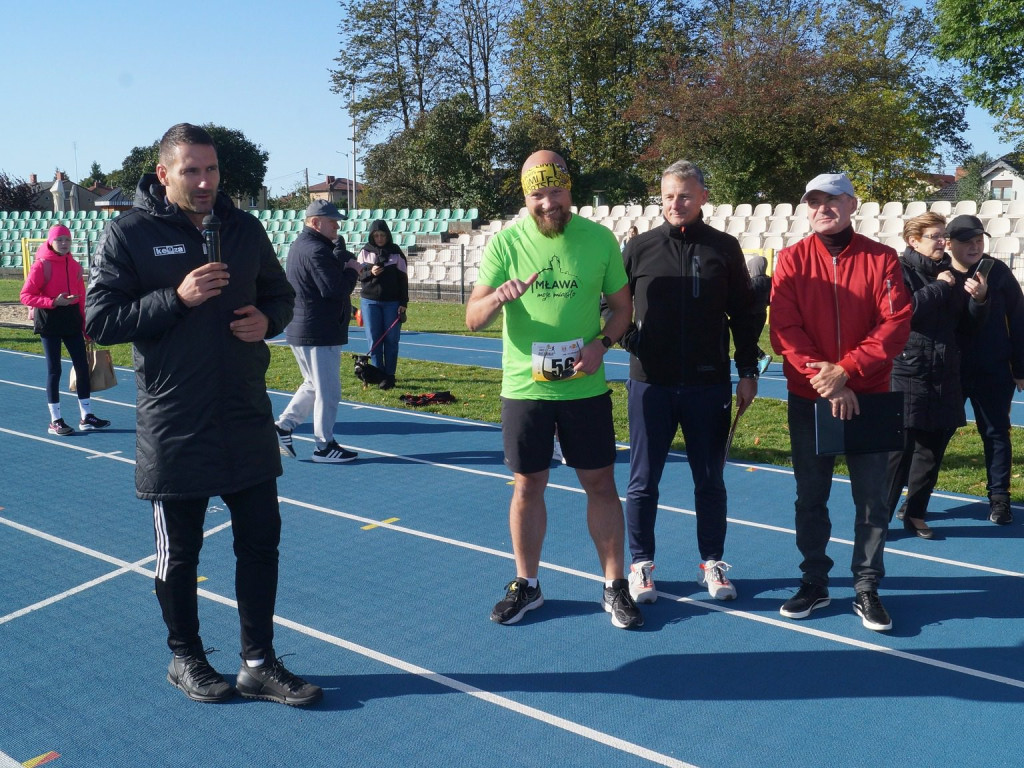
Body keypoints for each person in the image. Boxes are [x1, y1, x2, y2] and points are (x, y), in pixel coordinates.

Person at [85, 123, 321, 706]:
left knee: (260, 544)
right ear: (163, 173)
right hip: (175, 420)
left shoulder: (243, 228)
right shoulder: (130, 233)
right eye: (191, 170)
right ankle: (185, 656)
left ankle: (258, 663)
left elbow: (279, 294)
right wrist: (177, 298)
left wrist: (268, 320)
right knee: (180, 553)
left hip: (243, 412)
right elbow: (100, 320)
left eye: (211, 169)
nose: (204, 181)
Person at [466, 150, 643, 630]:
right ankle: (527, 584)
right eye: (538, 194)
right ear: (526, 197)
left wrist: (601, 345)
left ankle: (614, 585)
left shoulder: (598, 239)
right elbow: (473, 318)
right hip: (526, 390)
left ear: (570, 190)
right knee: (528, 485)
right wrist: (497, 297)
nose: (548, 203)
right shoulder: (506, 243)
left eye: (556, 191)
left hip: (584, 388)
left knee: (601, 485)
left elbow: (623, 309)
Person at [770, 172, 911, 632]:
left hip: (869, 396)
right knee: (810, 497)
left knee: (872, 500)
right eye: (814, 201)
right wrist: (829, 382)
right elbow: (785, 330)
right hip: (810, 397)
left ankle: (867, 586)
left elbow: (895, 325)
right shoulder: (791, 260)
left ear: (852, 204)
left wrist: (847, 371)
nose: (822, 208)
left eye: (832, 200)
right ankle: (814, 580)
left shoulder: (882, 258)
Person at [620, 160, 765, 604]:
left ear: (703, 196)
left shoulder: (724, 247)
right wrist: (630, 340)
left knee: (710, 481)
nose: (675, 203)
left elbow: (745, 314)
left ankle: (713, 563)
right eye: (668, 196)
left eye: (684, 195)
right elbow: (609, 304)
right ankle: (641, 565)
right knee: (643, 482)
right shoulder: (640, 247)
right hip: (651, 384)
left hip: (708, 385)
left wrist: (746, 371)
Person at [884, 213, 988, 539]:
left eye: (944, 235)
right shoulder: (898, 270)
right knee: (899, 452)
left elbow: (966, 327)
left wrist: (979, 300)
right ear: (913, 241)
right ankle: (878, 518)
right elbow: (905, 312)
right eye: (935, 236)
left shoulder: (952, 273)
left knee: (931, 450)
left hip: (944, 372)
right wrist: (941, 286)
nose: (943, 241)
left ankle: (916, 512)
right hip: (909, 370)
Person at [947, 214, 1024, 525]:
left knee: (996, 434)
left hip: (994, 370)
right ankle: (917, 500)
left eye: (979, 240)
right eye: (967, 241)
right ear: (949, 243)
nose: (975, 246)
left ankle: (1000, 500)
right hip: (949, 370)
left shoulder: (999, 272)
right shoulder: (939, 272)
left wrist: (1020, 367)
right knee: (934, 436)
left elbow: (1019, 320)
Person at [274, 200, 360, 464]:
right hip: (318, 329)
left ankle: (283, 427)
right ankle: (324, 446)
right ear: (315, 222)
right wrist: (352, 271)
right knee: (328, 391)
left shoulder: (305, 246)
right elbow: (334, 290)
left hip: (307, 327)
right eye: (332, 221)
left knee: (312, 384)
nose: (337, 226)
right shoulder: (315, 250)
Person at [21, 224, 110, 436]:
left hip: (71, 320)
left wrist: (86, 327)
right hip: (49, 320)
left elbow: (82, 300)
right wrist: (53, 302)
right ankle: (55, 420)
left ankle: (87, 416)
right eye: (59, 240)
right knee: (55, 370)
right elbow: (25, 296)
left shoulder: (75, 266)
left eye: (67, 240)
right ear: (50, 242)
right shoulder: (41, 265)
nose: (63, 243)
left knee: (82, 367)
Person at [356, 220, 408, 390]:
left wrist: (403, 302)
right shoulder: (364, 252)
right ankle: (379, 375)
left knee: (392, 340)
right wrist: (370, 273)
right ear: (371, 236)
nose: (379, 238)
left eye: (382, 235)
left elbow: (403, 280)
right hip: (370, 302)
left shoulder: (396, 253)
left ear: (388, 236)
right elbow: (358, 275)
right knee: (375, 340)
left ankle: (390, 375)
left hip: (392, 303)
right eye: (376, 235)